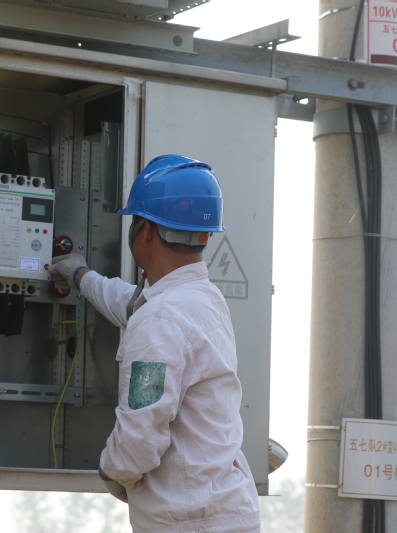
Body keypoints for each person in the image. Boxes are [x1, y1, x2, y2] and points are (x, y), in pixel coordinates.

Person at [49, 155, 260, 533]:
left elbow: (140, 436)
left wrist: (111, 471)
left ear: (145, 231)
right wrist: (80, 275)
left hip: (189, 523)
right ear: (204, 234)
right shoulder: (200, 299)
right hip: (220, 513)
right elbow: (133, 305)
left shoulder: (161, 320)